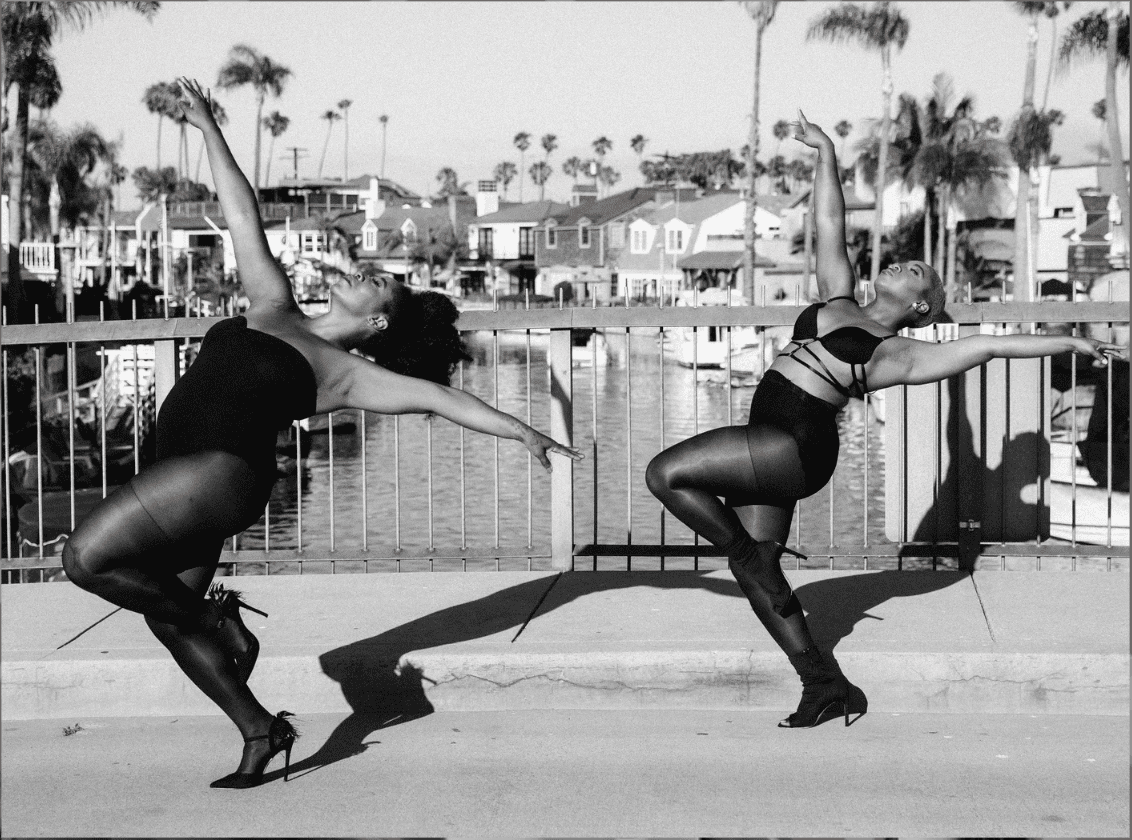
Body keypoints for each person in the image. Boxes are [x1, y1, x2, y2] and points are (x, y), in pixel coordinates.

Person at [61, 78, 582, 789]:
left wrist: (524, 431)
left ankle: (219, 622)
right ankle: (260, 730)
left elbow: (441, 399)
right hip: (183, 477)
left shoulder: (347, 375)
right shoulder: (272, 303)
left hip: (218, 473)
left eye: (381, 284)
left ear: (378, 321)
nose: (370, 273)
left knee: (85, 559)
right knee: (167, 619)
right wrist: (208, 125)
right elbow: (241, 212)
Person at [645, 110, 1125, 729]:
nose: (901, 263)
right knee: (752, 569)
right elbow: (829, 222)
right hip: (768, 446)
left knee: (666, 474)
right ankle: (825, 686)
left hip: (794, 446)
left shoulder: (902, 353)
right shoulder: (839, 295)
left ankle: (750, 555)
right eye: (904, 261)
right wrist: (825, 153)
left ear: (922, 305)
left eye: (916, 271)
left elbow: (990, 346)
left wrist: (1071, 342)